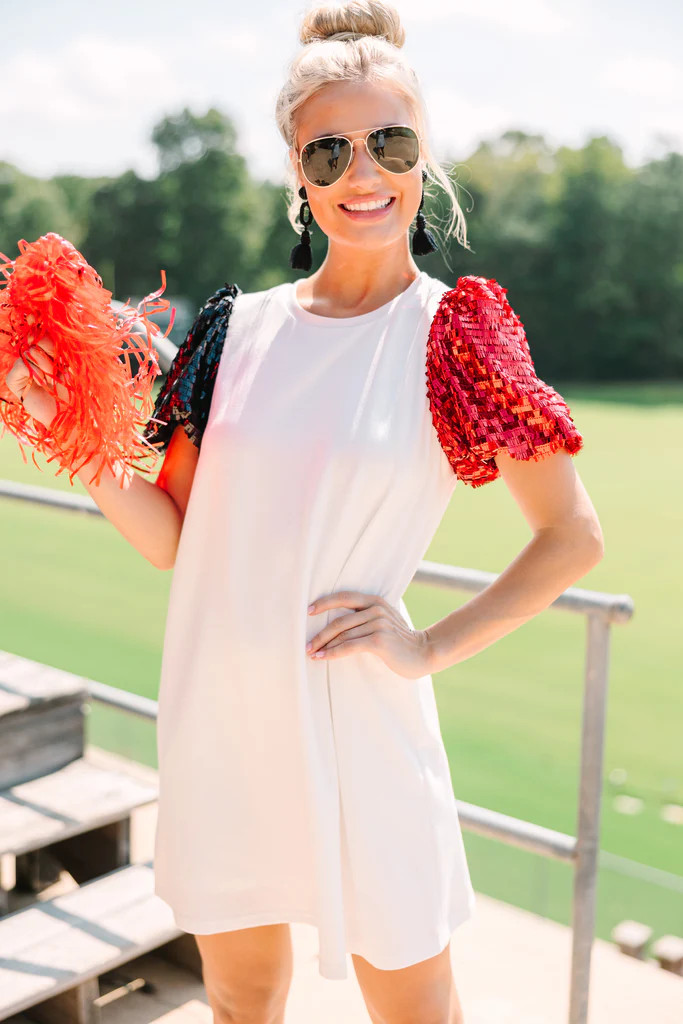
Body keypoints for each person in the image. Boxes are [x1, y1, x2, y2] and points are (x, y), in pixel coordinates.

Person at [5, 2, 604, 1021]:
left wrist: (425, 646)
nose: (362, 174)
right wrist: (61, 423)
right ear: (295, 174)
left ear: (424, 157)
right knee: (241, 1000)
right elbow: (173, 540)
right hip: (220, 713)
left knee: (414, 1006)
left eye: (389, 143)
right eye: (328, 152)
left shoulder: (451, 333)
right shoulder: (236, 330)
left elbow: (570, 536)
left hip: (360, 721)